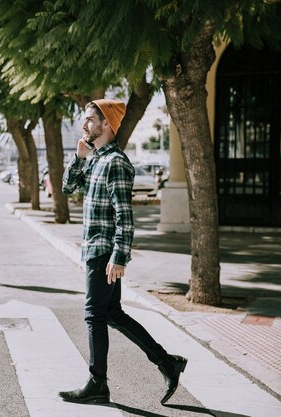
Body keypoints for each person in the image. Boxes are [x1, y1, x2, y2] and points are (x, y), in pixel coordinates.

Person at [59, 99, 187, 405]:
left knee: (95, 315)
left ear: (107, 125)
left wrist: (119, 256)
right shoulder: (94, 159)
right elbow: (67, 188)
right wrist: (78, 157)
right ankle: (166, 362)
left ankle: (97, 383)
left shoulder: (115, 162)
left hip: (104, 252)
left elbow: (124, 216)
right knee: (112, 314)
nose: (84, 125)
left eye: (90, 119)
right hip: (95, 249)